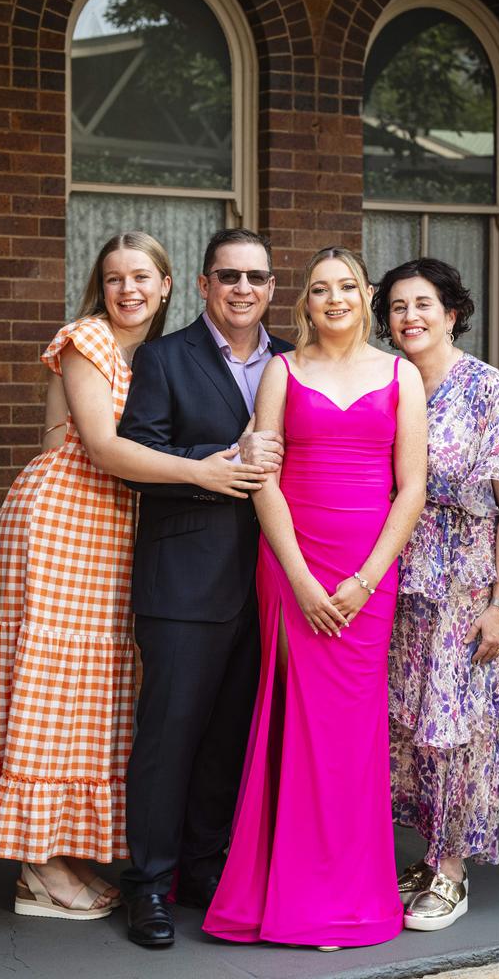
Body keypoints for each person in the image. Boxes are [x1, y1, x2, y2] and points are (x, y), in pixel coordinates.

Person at [0, 231, 265, 922]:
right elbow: (104, 446)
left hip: (117, 526)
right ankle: (40, 865)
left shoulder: (159, 352)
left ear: (170, 284)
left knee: (92, 698)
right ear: (101, 285)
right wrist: (206, 469)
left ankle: (62, 852)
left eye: (143, 277)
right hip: (65, 521)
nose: (129, 290)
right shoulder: (85, 340)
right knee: (48, 686)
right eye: (116, 277)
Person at [203, 246, 427, 950]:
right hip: (292, 564)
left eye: (347, 288)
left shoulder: (401, 376)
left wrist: (363, 580)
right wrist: (299, 576)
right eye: (321, 289)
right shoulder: (283, 370)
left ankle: (346, 899)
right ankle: (285, 897)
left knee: (349, 736)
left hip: (369, 573)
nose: (335, 299)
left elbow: (411, 488)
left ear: (366, 298)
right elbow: (261, 476)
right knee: (292, 724)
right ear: (305, 301)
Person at [116, 227, 292, 948]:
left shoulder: (293, 361)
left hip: (272, 583)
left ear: (272, 288)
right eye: (229, 277)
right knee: (168, 739)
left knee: (228, 741)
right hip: (186, 583)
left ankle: (203, 870)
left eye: (256, 278)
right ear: (203, 285)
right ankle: (148, 885)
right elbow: (133, 454)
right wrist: (215, 462)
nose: (243, 289)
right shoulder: (164, 357)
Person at [372, 257, 499, 931]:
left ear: (452, 312)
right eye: (398, 307)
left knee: (459, 729)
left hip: (467, 586)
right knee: (410, 727)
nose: (409, 317)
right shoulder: (392, 383)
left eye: (423, 303)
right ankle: (426, 853)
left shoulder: (487, 390)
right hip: (402, 577)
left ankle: (452, 873)